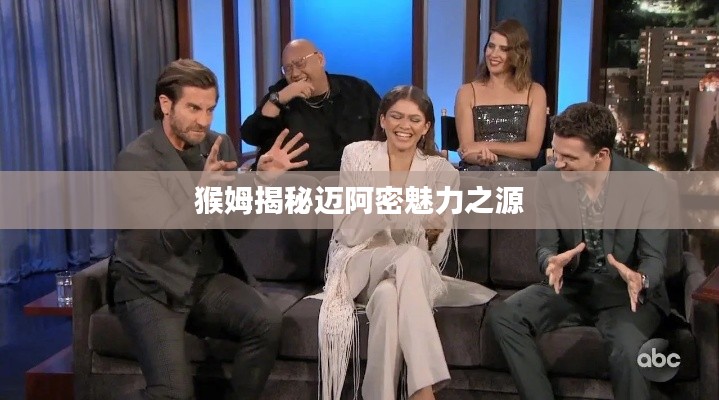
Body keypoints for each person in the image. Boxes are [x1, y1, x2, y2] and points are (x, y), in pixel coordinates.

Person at [108, 59, 309, 400]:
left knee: (267, 322)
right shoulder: (137, 160)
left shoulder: (217, 145)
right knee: (173, 393)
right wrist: (202, 196)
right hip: (150, 284)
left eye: (210, 109)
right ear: (166, 104)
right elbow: (165, 243)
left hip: (202, 280)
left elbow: (237, 227)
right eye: (193, 108)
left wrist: (259, 182)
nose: (203, 120)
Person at [318, 86, 496, 400]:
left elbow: (432, 257)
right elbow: (347, 233)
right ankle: (424, 390)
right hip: (358, 262)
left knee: (389, 296)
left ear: (426, 127)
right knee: (409, 257)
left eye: (415, 119)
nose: (405, 125)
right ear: (383, 120)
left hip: (409, 275)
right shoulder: (357, 155)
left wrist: (433, 234)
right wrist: (385, 206)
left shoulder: (442, 172)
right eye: (396, 116)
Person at [486, 102, 671, 400]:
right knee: (504, 315)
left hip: (624, 296)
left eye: (570, 158)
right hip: (573, 288)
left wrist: (640, 278)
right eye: (556, 153)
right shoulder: (548, 178)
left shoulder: (647, 184)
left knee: (628, 349)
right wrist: (551, 262)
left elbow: (654, 258)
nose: (559, 164)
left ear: (601, 155)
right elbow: (546, 247)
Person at [241, 38, 381, 171]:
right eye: (288, 69)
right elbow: (250, 136)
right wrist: (279, 99)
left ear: (320, 59)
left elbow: (384, 130)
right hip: (301, 183)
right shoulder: (281, 93)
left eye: (300, 63)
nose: (295, 74)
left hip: (355, 181)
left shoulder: (358, 90)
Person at [454, 19, 547, 171]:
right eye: (491, 46)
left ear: (518, 54)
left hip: (518, 178)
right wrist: (480, 158)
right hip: (477, 173)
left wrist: (486, 145)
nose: (493, 54)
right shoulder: (467, 92)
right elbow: (466, 149)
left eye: (503, 49)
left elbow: (532, 149)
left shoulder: (535, 92)